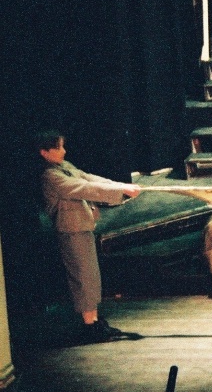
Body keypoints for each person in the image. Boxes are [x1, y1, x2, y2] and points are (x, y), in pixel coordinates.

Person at [38, 130, 142, 343]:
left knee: (91, 276)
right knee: (82, 277)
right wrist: (120, 190)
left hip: (82, 227)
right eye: (58, 147)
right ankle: (88, 324)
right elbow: (82, 187)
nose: (63, 151)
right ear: (44, 152)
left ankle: (94, 320)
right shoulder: (50, 176)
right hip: (71, 231)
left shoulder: (65, 167)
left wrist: (120, 186)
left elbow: (88, 177)